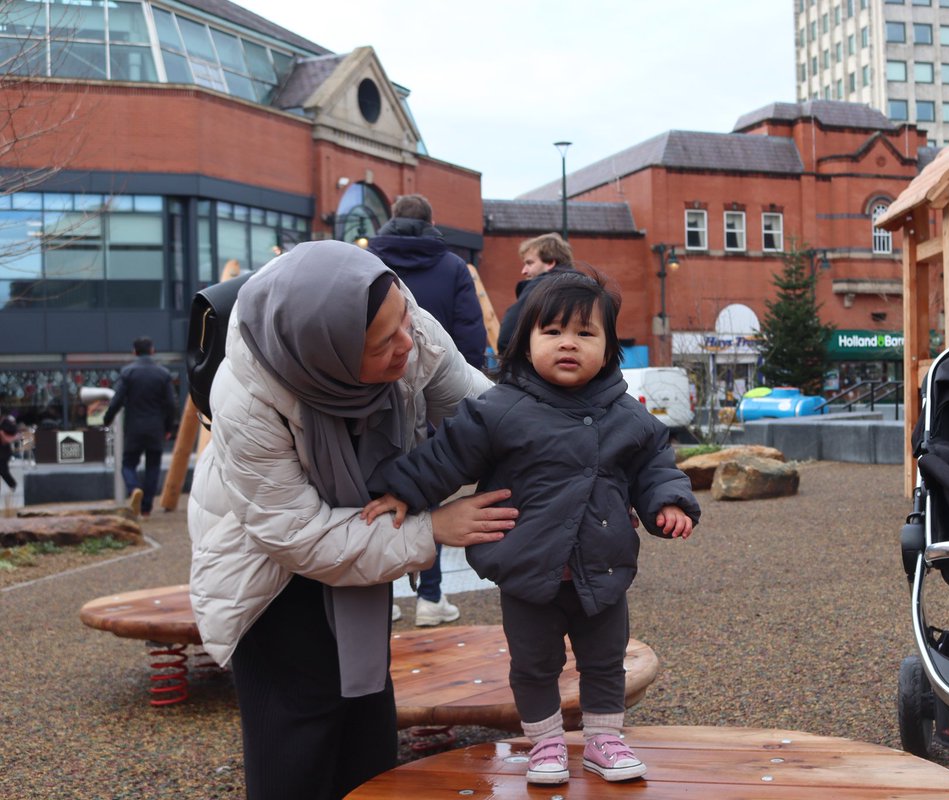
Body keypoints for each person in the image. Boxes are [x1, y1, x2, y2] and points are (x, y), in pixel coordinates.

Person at [187, 240, 518, 800]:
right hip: (270, 576)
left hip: (364, 534)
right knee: (298, 737)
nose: (406, 345)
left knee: (366, 724)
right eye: (383, 343)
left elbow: (491, 418)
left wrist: (591, 454)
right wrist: (432, 528)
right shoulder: (245, 397)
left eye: (404, 324)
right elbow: (300, 536)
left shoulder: (401, 318)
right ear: (330, 354)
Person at [363, 268, 700, 786]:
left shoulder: (625, 414)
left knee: (605, 660)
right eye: (553, 332)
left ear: (609, 349)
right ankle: (544, 743)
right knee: (534, 664)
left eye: (586, 334)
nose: (569, 344)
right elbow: (447, 456)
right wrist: (403, 490)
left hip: (602, 567)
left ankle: (604, 739)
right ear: (527, 341)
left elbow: (655, 461)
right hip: (529, 570)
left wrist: (668, 501)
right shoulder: (501, 409)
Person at [368, 193, 489, 626]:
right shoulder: (453, 266)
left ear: (392, 220)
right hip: (435, 383)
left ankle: (376, 601)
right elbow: (470, 334)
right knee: (424, 491)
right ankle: (430, 598)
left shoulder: (368, 262)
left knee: (370, 497)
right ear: (431, 220)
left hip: (374, 390)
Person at [103, 336, 177, 517]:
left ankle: (134, 488)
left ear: (134, 352)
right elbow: (171, 404)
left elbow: (117, 400)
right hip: (156, 429)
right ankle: (145, 509)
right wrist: (169, 427)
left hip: (134, 429)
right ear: (152, 351)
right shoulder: (163, 374)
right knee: (153, 467)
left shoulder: (128, 373)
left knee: (128, 464)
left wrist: (107, 419)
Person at [496, 232, 574, 352]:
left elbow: (507, 338)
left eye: (529, 263)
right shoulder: (590, 287)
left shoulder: (539, 287)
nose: (524, 271)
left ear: (550, 263)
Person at [0, 416, 19, 501]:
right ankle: (12, 484)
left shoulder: (6, 422)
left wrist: (3, 434)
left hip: (4, 452)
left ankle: (12, 484)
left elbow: (8, 438)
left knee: (3, 470)